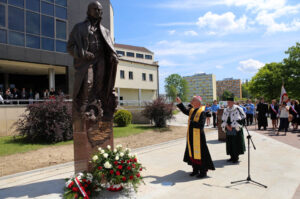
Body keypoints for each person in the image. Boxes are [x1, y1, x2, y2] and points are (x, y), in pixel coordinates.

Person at [67, 1, 118, 121]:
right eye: (96, 9)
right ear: (88, 11)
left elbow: (110, 48)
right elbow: (70, 47)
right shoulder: (79, 28)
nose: (99, 12)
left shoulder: (105, 31)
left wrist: (113, 55)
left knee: (100, 85)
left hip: (101, 61)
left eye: (100, 10)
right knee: (88, 83)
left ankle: (98, 109)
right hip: (86, 63)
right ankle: (83, 110)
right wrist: (83, 53)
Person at [176, 96, 215, 178]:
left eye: (193, 100)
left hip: (199, 137)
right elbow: (184, 110)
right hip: (191, 136)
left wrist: (192, 122)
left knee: (201, 154)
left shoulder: (202, 112)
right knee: (192, 153)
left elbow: (201, 125)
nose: (191, 101)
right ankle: (195, 169)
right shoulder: (192, 110)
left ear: (198, 102)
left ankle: (203, 171)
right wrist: (180, 102)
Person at [221, 97, 246, 163]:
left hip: (236, 129)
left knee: (236, 143)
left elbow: (242, 118)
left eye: (229, 102)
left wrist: (232, 126)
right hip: (228, 129)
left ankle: (236, 157)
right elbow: (223, 119)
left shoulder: (238, 109)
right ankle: (231, 156)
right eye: (227, 102)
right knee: (230, 143)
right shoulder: (225, 110)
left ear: (233, 102)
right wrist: (226, 126)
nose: (228, 103)